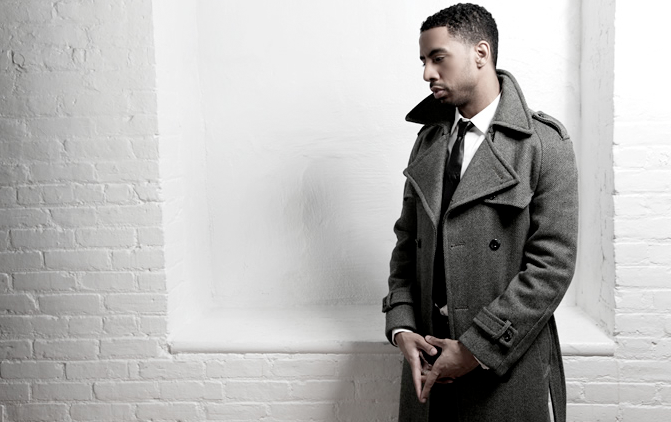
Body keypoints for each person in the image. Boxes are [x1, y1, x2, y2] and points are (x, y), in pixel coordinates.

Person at [381, 3, 578, 421]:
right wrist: (402, 327)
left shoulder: (544, 145)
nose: (427, 73)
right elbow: (406, 246)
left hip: (502, 371)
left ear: (480, 53)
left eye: (438, 58)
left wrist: (474, 350)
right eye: (423, 61)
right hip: (427, 370)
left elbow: (552, 268)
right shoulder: (429, 141)